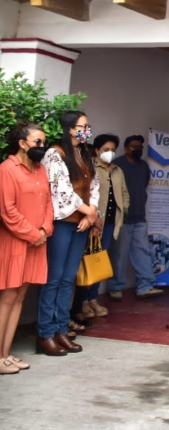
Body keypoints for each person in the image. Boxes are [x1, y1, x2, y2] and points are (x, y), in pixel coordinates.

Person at [37, 111, 100, 355]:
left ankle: (61, 329)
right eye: (83, 126)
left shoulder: (84, 153)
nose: (87, 130)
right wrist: (89, 212)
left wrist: (91, 214)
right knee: (54, 278)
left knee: (68, 278)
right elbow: (61, 190)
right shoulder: (55, 153)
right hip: (62, 222)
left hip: (81, 223)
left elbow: (94, 186)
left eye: (88, 126)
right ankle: (45, 333)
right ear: (70, 129)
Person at [0, 122, 54, 373]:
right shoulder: (7, 169)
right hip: (15, 242)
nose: (42, 146)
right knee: (9, 296)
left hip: (36, 241)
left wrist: (44, 230)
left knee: (20, 296)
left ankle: (6, 354)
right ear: (22, 144)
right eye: (37, 142)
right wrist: (33, 234)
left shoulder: (40, 169)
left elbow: (49, 204)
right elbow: (7, 211)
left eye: (44, 142)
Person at [72, 134, 129, 322]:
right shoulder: (90, 167)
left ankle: (93, 299)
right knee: (86, 262)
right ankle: (82, 302)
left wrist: (123, 212)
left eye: (113, 150)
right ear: (97, 150)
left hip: (111, 224)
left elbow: (124, 194)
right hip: (93, 223)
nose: (109, 153)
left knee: (99, 262)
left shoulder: (118, 170)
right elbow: (87, 196)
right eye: (106, 150)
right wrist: (94, 219)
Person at [108, 135, 163, 300]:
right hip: (122, 218)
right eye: (134, 146)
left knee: (143, 252)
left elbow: (143, 186)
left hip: (139, 217)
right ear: (126, 149)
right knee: (119, 255)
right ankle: (116, 287)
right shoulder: (117, 165)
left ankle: (145, 286)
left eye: (140, 146)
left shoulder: (144, 166)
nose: (138, 149)